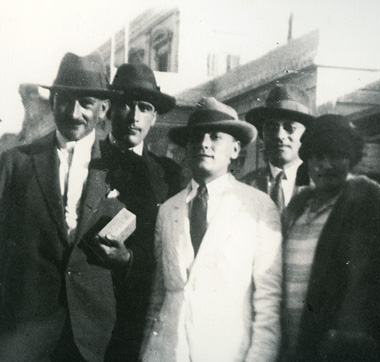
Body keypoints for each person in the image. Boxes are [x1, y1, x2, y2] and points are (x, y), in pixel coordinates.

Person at [0, 52, 144, 362]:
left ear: (104, 108)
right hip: (24, 337)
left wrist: (125, 258)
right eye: (64, 100)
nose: (73, 112)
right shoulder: (15, 165)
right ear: (52, 100)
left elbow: (146, 257)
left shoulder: (125, 171)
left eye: (86, 103)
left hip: (93, 341)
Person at [142, 97, 282, 362]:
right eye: (196, 138)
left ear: (235, 149)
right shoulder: (168, 210)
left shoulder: (258, 208)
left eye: (215, 136)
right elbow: (159, 294)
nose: (204, 143)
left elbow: (268, 305)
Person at [280, 114, 380, 362]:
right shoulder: (296, 212)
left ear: (352, 159)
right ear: (308, 162)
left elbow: (375, 284)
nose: (327, 165)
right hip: (291, 343)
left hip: (339, 349)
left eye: (336, 156)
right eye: (318, 157)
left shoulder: (370, 207)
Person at [102, 63, 186, 361]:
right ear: (109, 109)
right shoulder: (88, 162)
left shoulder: (170, 175)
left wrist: (130, 259)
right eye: (125, 105)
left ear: (154, 116)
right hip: (89, 312)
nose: (134, 117)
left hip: (143, 314)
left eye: (144, 107)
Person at [242, 84, 313, 211]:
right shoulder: (244, 187)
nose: (280, 136)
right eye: (271, 127)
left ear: (306, 135)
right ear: (262, 133)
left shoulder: (319, 184)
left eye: (289, 128)